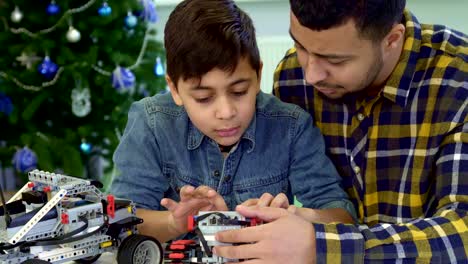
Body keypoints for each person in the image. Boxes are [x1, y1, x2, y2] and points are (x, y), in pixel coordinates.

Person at [213, 0, 468, 263]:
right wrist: (300, 217)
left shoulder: (459, 80)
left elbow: (462, 232)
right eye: (300, 45)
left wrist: (320, 247)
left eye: (335, 60)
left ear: (391, 39)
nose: (311, 75)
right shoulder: (292, 77)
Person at [109, 0, 356, 243]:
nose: (226, 112)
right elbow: (122, 220)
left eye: (239, 92)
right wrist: (175, 223)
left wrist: (294, 215)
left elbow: (341, 216)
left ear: (258, 75)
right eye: (204, 98)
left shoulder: (291, 126)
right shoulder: (152, 123)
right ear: (174, 88)